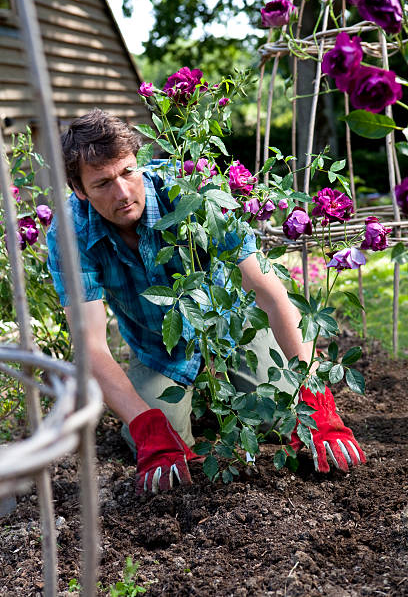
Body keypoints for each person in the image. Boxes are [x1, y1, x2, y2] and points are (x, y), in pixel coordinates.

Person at [47, 109, 366, 495]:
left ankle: (226, 401)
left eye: (128, 172)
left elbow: (268, 292)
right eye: (101, 184)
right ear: (79, 190)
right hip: (159, 351)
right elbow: (91, 344)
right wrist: (148, 428)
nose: (123, 193)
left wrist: (312, 391)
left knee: (286, 418)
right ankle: (189, 411)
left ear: (139, 161)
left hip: (235, 334)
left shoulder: (192, 192)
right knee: (162, 453)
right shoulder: (69, 232)